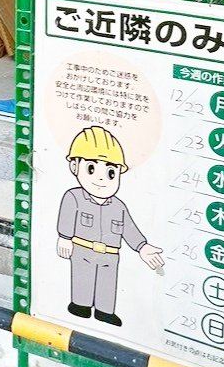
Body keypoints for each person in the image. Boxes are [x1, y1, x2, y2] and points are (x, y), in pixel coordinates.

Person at [56, 126, 163, 326]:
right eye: (91, 169)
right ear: (75, 167)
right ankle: (80, 305)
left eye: (111, 173)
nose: (101, 178)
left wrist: (142, 247)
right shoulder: (74, 197)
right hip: (83, 248)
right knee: (83, 276)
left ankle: (105, 311)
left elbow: (128, 228)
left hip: (111, 254)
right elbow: (67, 216)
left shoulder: (118, 206)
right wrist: (65, 237)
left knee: (108, 281)